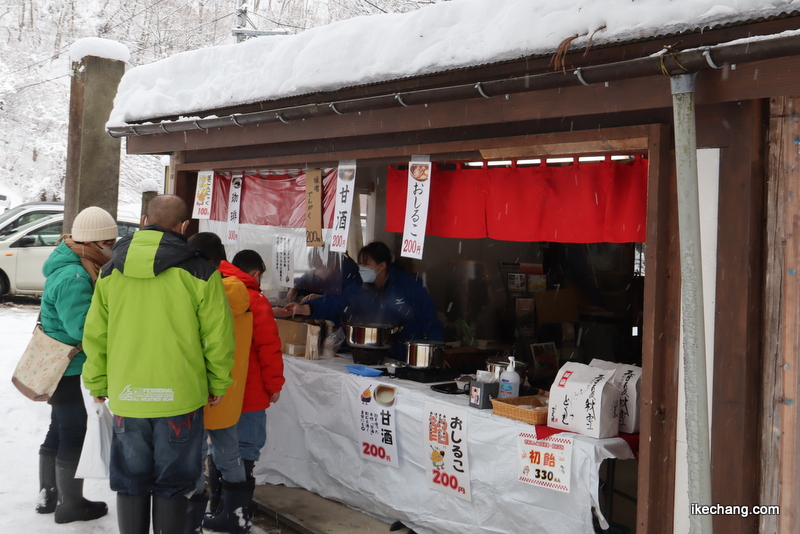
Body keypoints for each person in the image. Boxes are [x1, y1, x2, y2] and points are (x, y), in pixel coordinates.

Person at [82, 195, 235, 534]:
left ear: (143, 220)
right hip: (179, 397)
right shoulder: (201, 272)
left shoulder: (111, 271)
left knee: (131, 481)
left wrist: (97, 383)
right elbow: (218, 338)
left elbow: (95, 334)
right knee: (173, 482)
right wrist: (218, 383)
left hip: (127, 394)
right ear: (184, 227)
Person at [37, 206, 116, 524]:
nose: (112, 246)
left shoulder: (74, 261)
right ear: (96, 243)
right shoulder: (75, 276)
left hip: (56, 362)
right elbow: (81, 329)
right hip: (64, 366)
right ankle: (70, 503)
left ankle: (49, 495)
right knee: (73, 430)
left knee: (59, 427)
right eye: (109, 241)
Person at [202, 249, 284, 534]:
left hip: (218, 390)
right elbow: (269, 349)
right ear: (257, 274)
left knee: (219, 447)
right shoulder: (256, 301)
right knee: (246, 450)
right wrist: (274, 386)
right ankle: (238, 511)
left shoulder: (211, 291)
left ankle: (219, 505)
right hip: (250, 394)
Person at [185, 232, 253, 534]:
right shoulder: (243, 291)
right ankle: (238, 516)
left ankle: (193, 521)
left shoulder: (201, 291)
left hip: (200, 386)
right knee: (229, 451)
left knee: (195, 455)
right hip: (228, 388)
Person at [285, 241, 444, 359]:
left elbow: (430, 320)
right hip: (372, 355)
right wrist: (306, 308)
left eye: (365, 264)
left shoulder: (409, 285)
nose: (360, 267)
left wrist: (436, 353)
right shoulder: (360, 286)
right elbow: (338, 302)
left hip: (406, 356)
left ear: (382, 266)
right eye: (359, 263)